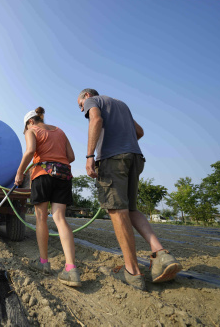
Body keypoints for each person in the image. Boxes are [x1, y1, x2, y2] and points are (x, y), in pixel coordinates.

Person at [77, 88, 182, 290]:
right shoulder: (120, 104)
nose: (82, 110)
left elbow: (96, 120)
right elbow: (139, 132)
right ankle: (161, 254)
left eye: (80, 105)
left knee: (118, 212)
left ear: (87, 96)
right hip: (134, 157)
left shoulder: (93, 101)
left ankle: (132, 271)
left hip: (113, 160)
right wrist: (124, 144)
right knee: (131, 210)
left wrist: (90, 156)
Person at [14, 107, 80, 287]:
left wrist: (20, 173)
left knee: (41, 218)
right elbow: (71, 157)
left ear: (30, 122)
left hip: (42, 174)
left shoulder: (31, 130)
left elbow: (30, 151)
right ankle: (71, 268)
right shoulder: (60, 131)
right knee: (60, 218)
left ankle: (44, 263)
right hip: (64, 175)